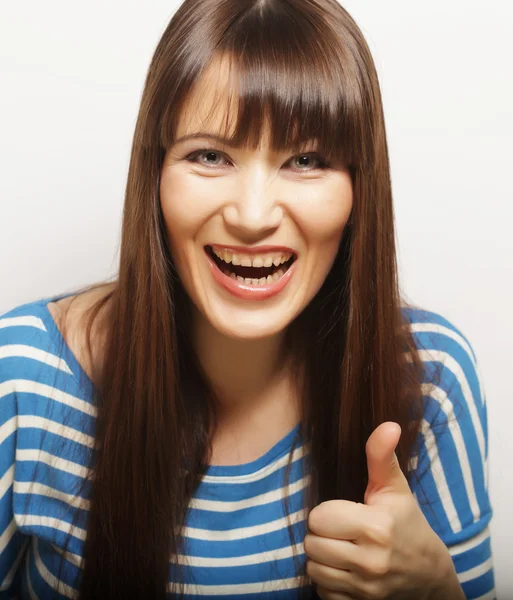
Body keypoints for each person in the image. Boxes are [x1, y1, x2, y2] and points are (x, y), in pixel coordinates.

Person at [0, 0, 495, 599]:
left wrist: (434, 591)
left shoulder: (430, 376)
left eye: (305, 160)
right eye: (210, 156)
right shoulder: (22, 377)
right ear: (155, 174)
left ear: (360, 187)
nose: (253, 217)